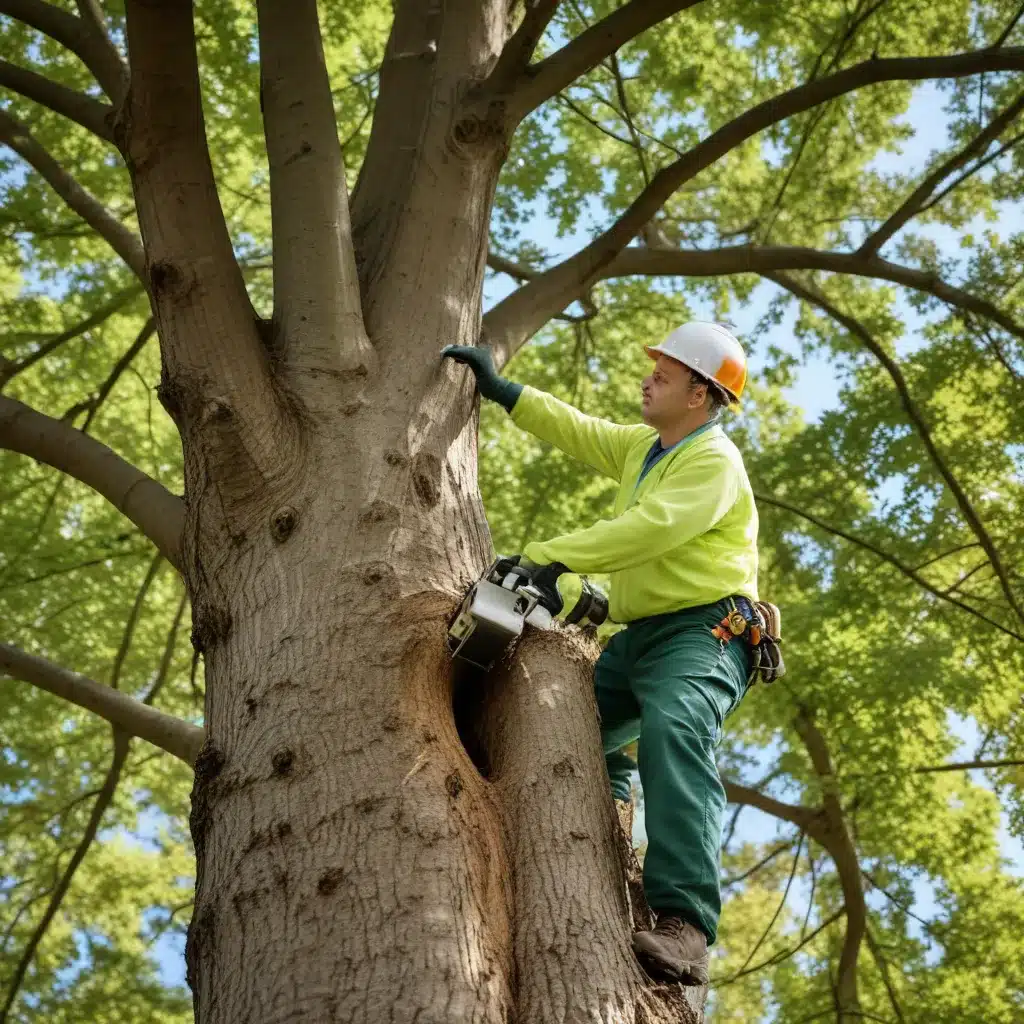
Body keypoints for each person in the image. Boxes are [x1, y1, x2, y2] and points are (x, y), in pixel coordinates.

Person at [441, 322, 767, 986]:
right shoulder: (647, 449)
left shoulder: (713, 462)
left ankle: (685, 923)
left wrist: (553, 557)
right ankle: (608, 836)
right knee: (572, 726)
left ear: (701, 396)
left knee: (676, 726)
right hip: (641, 638)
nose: (649, 379)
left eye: (666, 375)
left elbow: (655, 528)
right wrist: (505, 392)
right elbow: (579, 430)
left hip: (704, 635)